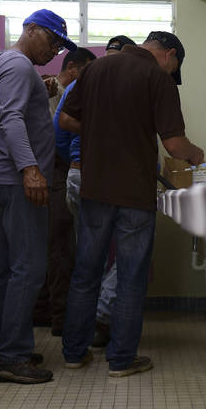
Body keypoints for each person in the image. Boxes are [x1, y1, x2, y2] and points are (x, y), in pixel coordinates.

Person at [59, 31, 204, 378]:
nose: (172, 74)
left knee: (85, 273)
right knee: (130, 277)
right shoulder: (157, 79)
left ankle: (73, 354)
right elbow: (173, 144)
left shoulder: (96, 70)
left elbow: (65, 119)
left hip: (94, 190)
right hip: (134, 195)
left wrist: (100, 129)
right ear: (168, 55)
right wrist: (197, 156)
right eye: (175, 67)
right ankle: (121, 360)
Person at [0, 8, 76, 384]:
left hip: (5, 178)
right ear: (31, 29)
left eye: (58, 45)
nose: (54, 50)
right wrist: (31, 169)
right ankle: (10, 355)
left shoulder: (6, 63)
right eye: (51, 39)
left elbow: (16, 109)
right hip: (20, 181)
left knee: (10, 269)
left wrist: (46, 88)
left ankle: (0, 346)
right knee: (30, 267)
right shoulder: (19, 68)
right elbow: (13, 120)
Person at [63, 36, 136, 350]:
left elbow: (61, 127)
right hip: (106, 180)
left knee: (89, 259)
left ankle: (80, 339)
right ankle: (102, 318)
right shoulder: (120, 88)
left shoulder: (83, 84)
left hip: (81, 174)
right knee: (127, 256)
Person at [44, 48, 97, 338]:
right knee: (64, 247)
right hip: (60, 170)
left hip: (63, 171)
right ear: (75, 68)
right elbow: (60, 136)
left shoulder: (62, 90)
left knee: (61, 246)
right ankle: (63, 320)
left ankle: (59, 317)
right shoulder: (63, 90)